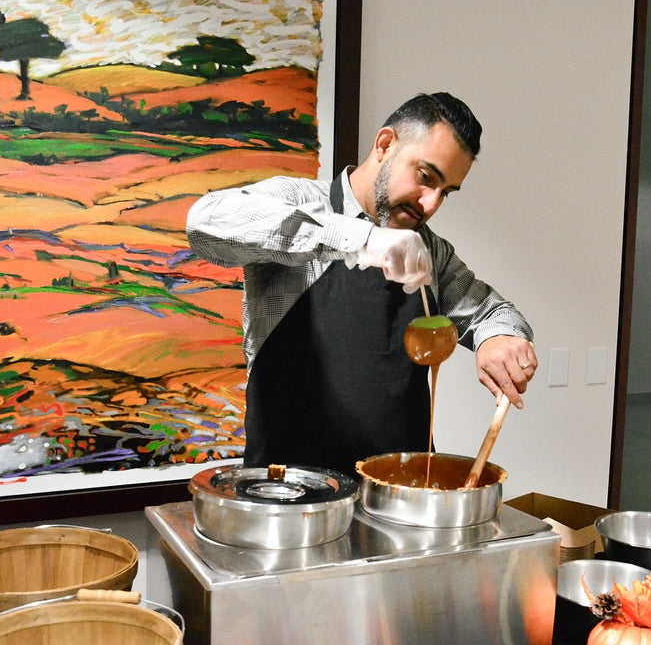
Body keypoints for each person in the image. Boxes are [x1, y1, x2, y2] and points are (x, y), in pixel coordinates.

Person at [186, 92, 538, 475]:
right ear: (384, 144)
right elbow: (205, 222)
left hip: (400, 493)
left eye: (445, 192)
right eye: (425, 178)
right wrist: (363, 239)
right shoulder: (301, 201)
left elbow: (493, 312)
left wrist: (498, 337)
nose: (430, 204)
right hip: (290, 492)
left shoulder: (429, 251)